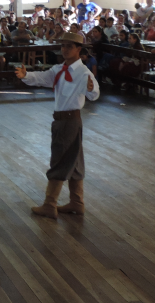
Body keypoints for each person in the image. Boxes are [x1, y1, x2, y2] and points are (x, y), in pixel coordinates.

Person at [15, 33, 99, 219]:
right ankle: (77, 202)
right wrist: (26, 75)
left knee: (60, 160)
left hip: (70, 120)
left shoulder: (83, 72)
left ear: (79, 49)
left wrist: (91, 89)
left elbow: (94, 94)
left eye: (70, 46)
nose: (65, 49)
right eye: (63, 46)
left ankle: (50, 204)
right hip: (62, 120)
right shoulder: (59, 69)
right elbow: (43, 78)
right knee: (75, 161)